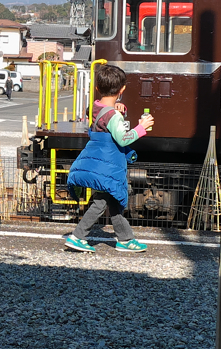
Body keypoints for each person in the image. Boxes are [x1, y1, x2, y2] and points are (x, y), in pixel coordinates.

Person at [65, 64, 154, 254]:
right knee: (102, 201)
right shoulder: (113, 115)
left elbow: (99, 111)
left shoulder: (97, 107)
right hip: (109, 164)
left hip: (99, 161)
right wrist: (141, 127)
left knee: (113, 201)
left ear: (97, 88)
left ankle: (125, 239)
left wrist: (117, 108)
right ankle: (77, 236)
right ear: (122, 89)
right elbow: (123, 138)